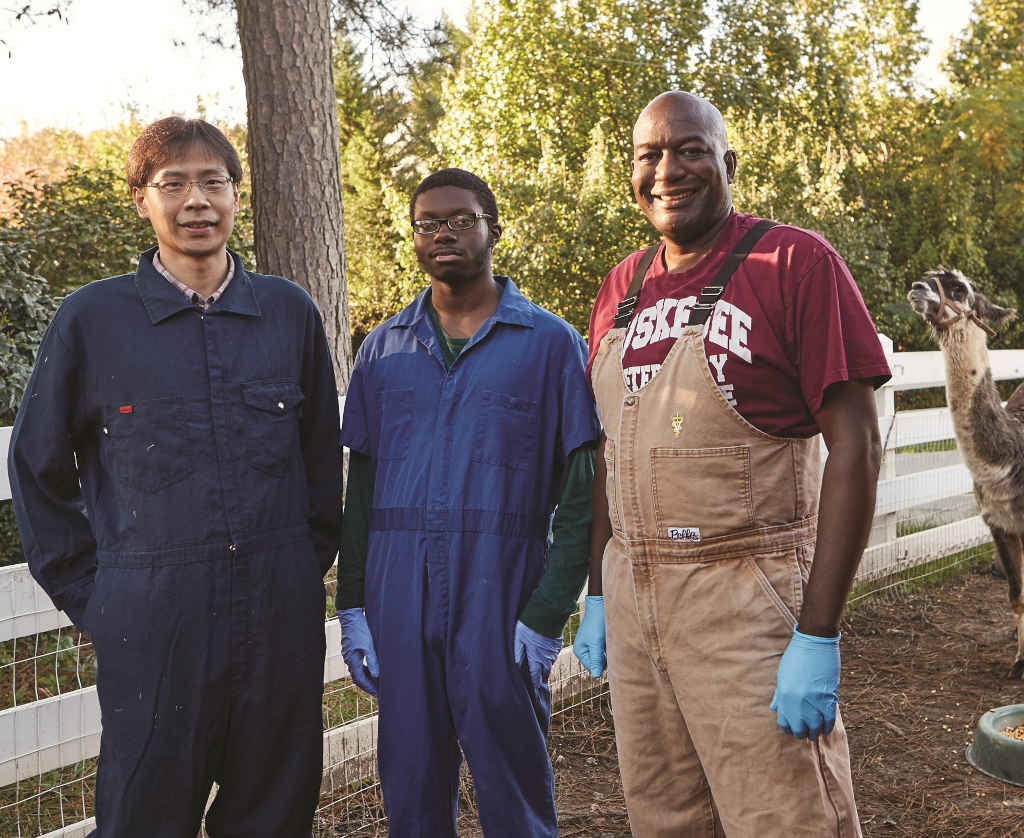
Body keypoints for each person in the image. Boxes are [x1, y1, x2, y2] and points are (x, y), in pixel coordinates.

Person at [7, 117, 342, 837]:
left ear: (236, 195)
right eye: (174, 184)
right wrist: (100, 598)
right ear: (141, 200)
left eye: (213, 182)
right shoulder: (91, 321)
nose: (197, 201)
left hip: (278, 615)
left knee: (275, 810)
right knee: (143, 815)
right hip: (152, 623)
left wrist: (294, 570)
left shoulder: (288, 313)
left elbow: (321, 463)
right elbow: (37, 469)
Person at [571, 91, 891, 837]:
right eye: (649, 155)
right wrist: (597, 593)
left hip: (744, 599)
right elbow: (611, 454)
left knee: (785, 818)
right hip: (634, 598)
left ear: (728, 163)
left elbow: (856, 445)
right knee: (666, 818)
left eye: (689, 149)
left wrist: (817, 635)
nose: (667, 170)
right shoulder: (621, 288)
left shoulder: (794, 263)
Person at [336, 168, 600, 837]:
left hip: (501, 596)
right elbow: (360, 491)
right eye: (428, 223)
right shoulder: (383, 350)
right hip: (401, 597)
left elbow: (581, 496)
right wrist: (355, 607)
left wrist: (546, 615)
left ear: (493, 229)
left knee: (514, 793)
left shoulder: (550, 345)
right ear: (414, 238)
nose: (443, 233)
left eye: (461, 219)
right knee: (412, 791)